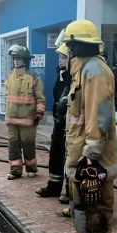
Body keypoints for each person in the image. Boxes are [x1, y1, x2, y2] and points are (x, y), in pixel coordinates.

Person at [59, 19, 117, 233]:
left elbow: (99, 115)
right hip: (78, 153)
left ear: (75, 45)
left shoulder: (93, 71)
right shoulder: (82, 70)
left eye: (69, 46)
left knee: (95, 205)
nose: (67, 51)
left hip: (91, 157)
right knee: (80, 203)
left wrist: (91, 154)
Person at [4, 45, 45, 180]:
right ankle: (15, 170)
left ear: (25, 60)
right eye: (14, 58)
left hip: (28, 119)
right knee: (13, 145)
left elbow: (40, 97)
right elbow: (7, 96)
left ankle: (31, 168)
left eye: (19, 58)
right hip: (11, 119)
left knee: (28, 144)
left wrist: (39, 112)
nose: (16, 61)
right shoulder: (9, 76)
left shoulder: (33, 76)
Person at [36, 43, 71, 203]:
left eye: (63, 57)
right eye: (59, 57)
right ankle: (54, 187)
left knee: (71, 159)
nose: (60, 60)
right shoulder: (62, 75)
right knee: (56, 154)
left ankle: (70, 192)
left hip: (71, 125)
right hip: (59, 123)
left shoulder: (74, 77)